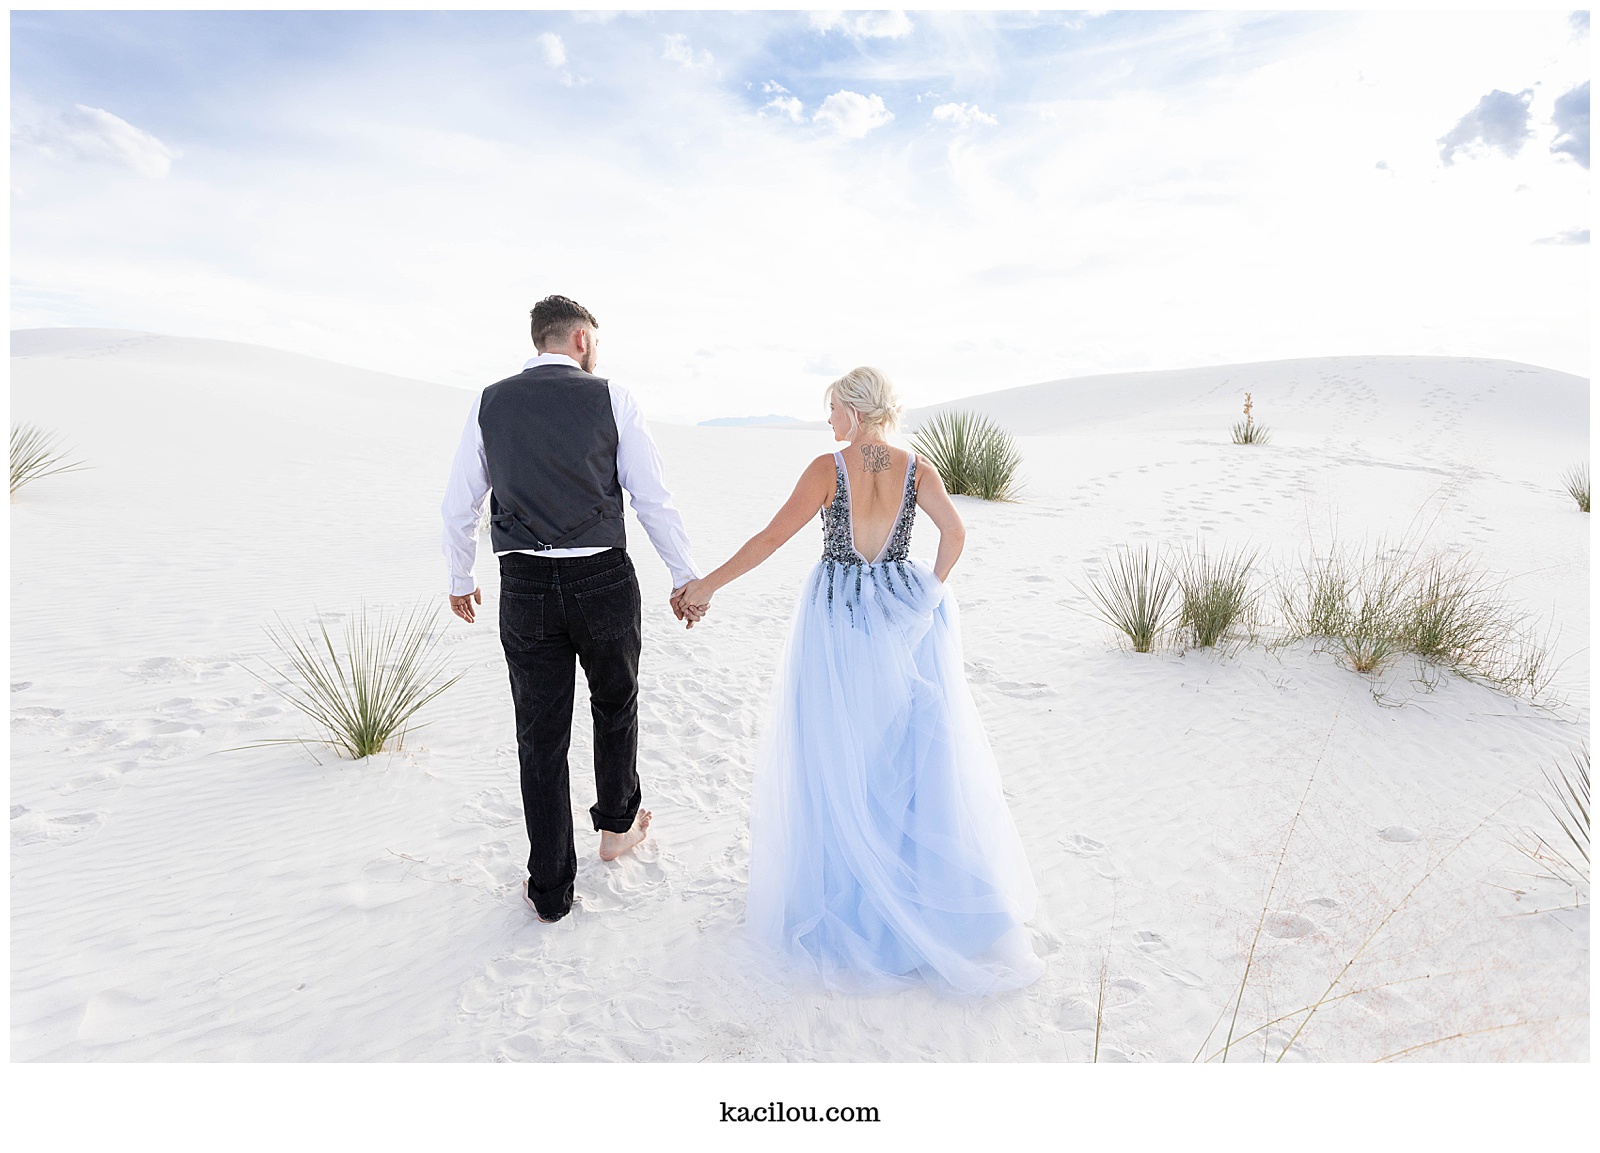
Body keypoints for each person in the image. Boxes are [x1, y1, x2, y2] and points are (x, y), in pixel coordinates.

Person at [674, 367, 1043, 994]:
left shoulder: (828, 468)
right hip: (902, 611)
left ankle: (855, 899)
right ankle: (909, 891)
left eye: (832, 408)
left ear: (853, 408)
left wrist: (705, 586)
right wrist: (929, 591)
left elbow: (770, 539)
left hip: (839, 616)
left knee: (840, 752)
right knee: (903, 753)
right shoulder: (916, 466)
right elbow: (955, 532)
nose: (828, 420)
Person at [441, 295, 701, 924]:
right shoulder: (613, 398)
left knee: (540, 732)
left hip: (524, 582)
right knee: (616, 701)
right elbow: (652, 498)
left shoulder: (490, 402)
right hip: (602, 577)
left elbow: (458, 504)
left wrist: (460, 578)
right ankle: (617, 827)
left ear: (540, 340)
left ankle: (551, 888)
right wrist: (684, 575)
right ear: (581, 339)